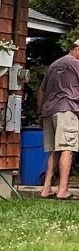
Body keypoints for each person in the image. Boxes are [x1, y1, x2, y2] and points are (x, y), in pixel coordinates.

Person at [39, 36, 79, 199]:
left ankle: (46, 189)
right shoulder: (76, 64)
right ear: (77, 49)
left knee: (54, 150)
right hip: (67, 110)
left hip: (49, 111)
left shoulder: (54, 65)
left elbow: (41, 92)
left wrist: (40, 114)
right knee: (67, 148)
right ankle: (62, 190)